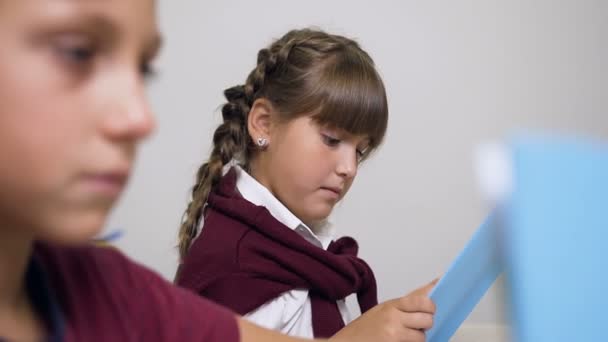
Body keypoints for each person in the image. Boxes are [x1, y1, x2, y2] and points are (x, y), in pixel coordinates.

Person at [0, 2, 436, 341]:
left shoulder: (114, 288)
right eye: (77, 52)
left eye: (143, 69)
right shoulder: (230, 267)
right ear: (263, 124)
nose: (140, 117)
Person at [175, 28, 436, 340]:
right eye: (332, 139)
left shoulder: (297, 249)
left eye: (360, 151)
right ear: (264, 124)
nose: (349, 168)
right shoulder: (233, 266)